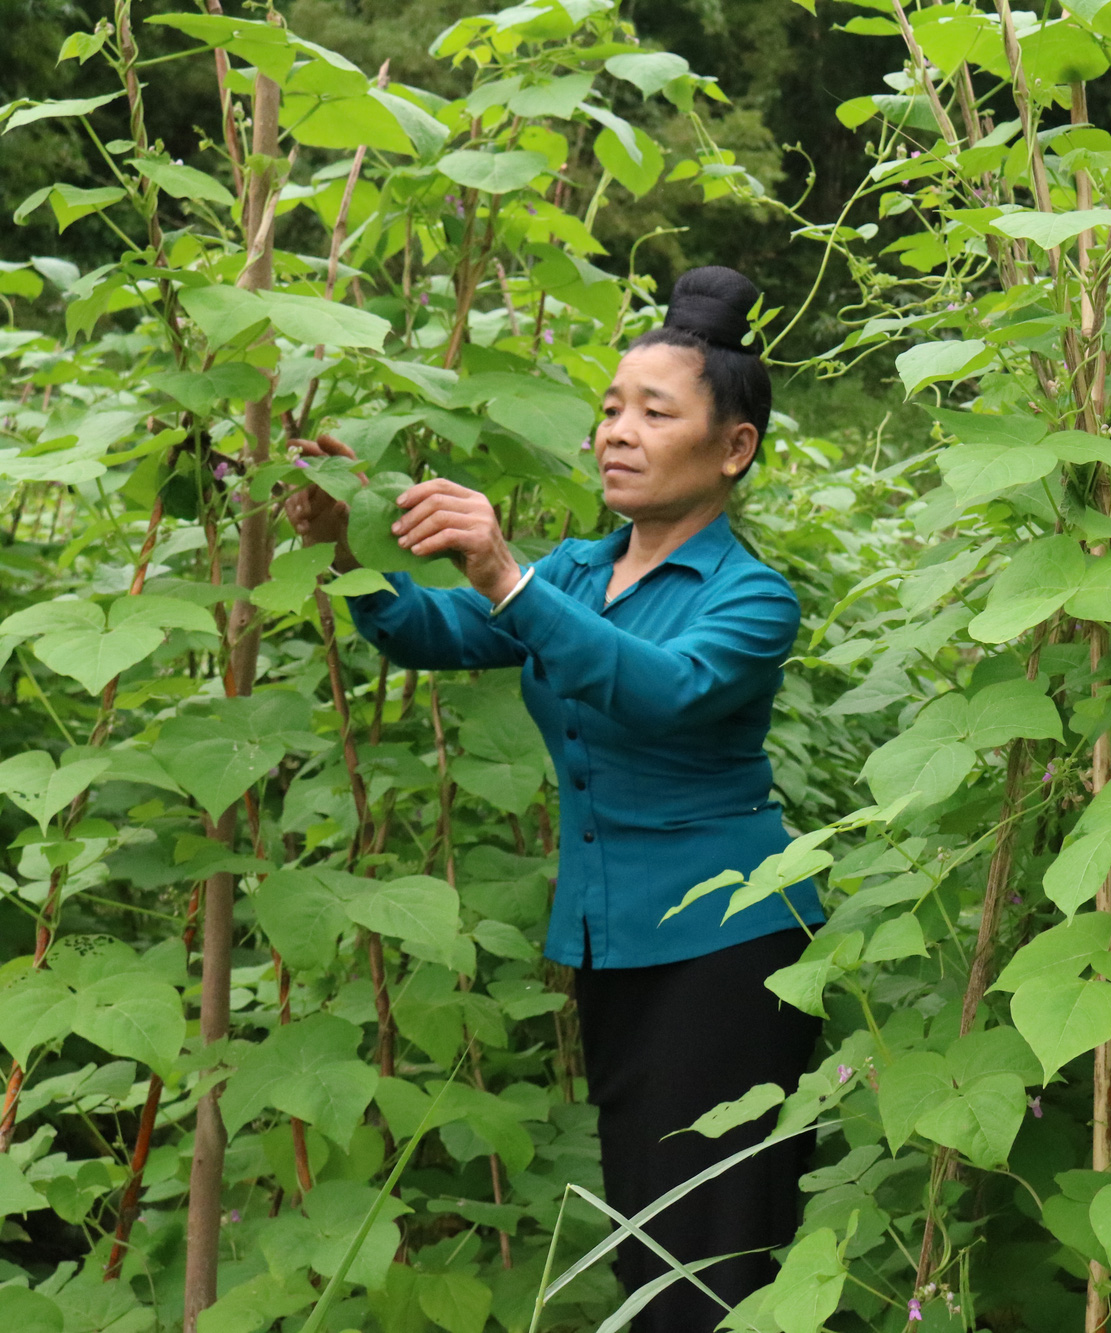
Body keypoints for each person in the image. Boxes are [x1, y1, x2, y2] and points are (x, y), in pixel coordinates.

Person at [284, 267, 823, 1333]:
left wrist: (502, 573)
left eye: (654, 412)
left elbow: (659, 691)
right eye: (610, 409)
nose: (616, 433)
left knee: (711, 1244)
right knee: (644, 1227)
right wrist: (343, 537)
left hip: (727, 943)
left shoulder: (750, 597)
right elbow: (426, 633)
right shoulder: (579, 571)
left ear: (733, 449)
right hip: (613, 938)